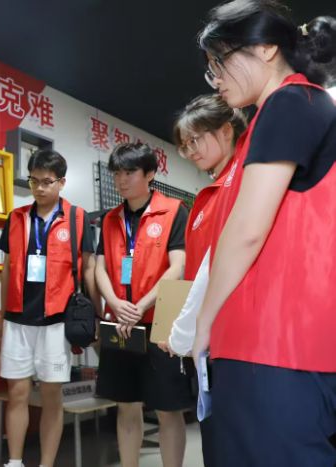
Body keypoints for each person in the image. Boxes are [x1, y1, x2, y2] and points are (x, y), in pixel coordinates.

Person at [191, 2, 336, 466]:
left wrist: (203, 322)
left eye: (220, 62)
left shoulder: (289, 103)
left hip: (271, 344)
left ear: (267, 48)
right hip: (280, 345)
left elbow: (247, 230)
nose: (215, 79)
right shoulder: (289, 109)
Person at [157, 94, 247, 467]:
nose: (190, 150)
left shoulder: (241, 182)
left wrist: (180, 332)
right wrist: (177, 328)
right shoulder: (207, 194)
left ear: (226, 131)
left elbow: (217, 269)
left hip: (233, 336)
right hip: (206, 339)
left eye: (196, 139)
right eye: (185, 144)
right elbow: (196, 273)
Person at [0, 149, 99, 467]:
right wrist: (2, 315)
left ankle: (46, 464)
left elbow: (88, 270)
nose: (39, 188)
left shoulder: (78, 218)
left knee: (52, 397)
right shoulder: (16, 218)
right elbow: (7, 268)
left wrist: (96, 315)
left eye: (47, 182)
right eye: (34, 181)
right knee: (17, 393)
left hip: (57, 319)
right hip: (18, 318)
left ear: (61, 182)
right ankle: (14, 462)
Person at [95, 142, 192, 467]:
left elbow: (178, 266)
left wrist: (141, 305)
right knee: (126, 405)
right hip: (121, 323)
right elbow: (99, 268)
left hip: (160, 323)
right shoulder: (110, 219)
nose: (121, 180)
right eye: (117, 173)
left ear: (149, 173)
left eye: (130, 172)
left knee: (168, 409)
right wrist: (115, 303)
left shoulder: (174, 210)